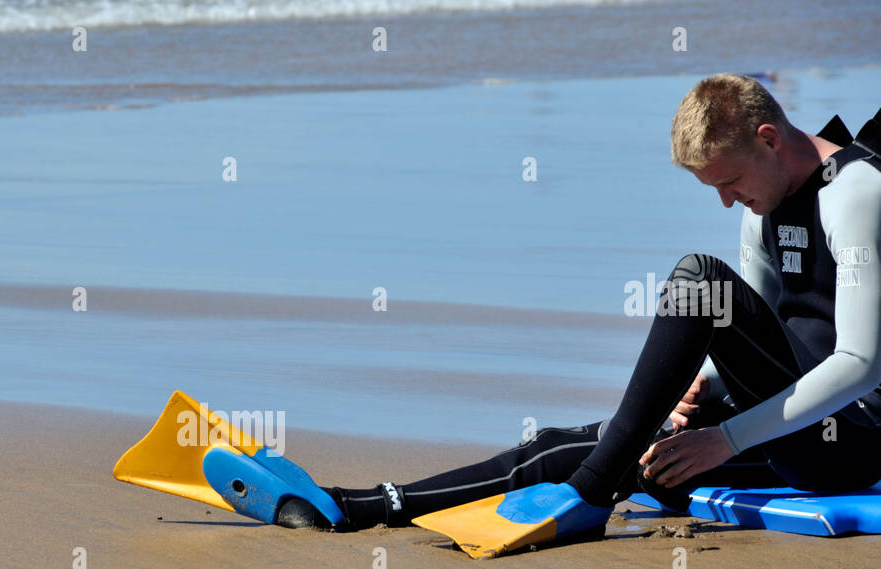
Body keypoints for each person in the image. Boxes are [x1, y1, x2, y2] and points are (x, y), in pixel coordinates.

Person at [279, 74, 881, 541]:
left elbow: (859, 364)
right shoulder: (763, 202)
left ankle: (592, 494)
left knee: (699, 280)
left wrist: (726, 437)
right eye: (714, 190)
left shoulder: (856, 191)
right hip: (783, 430)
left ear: (768, 140)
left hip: (849, 442)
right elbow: (760, 333)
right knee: (609, 448)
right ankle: (365, 505)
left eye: (729, 182)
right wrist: (709, 389)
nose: (727, 202)